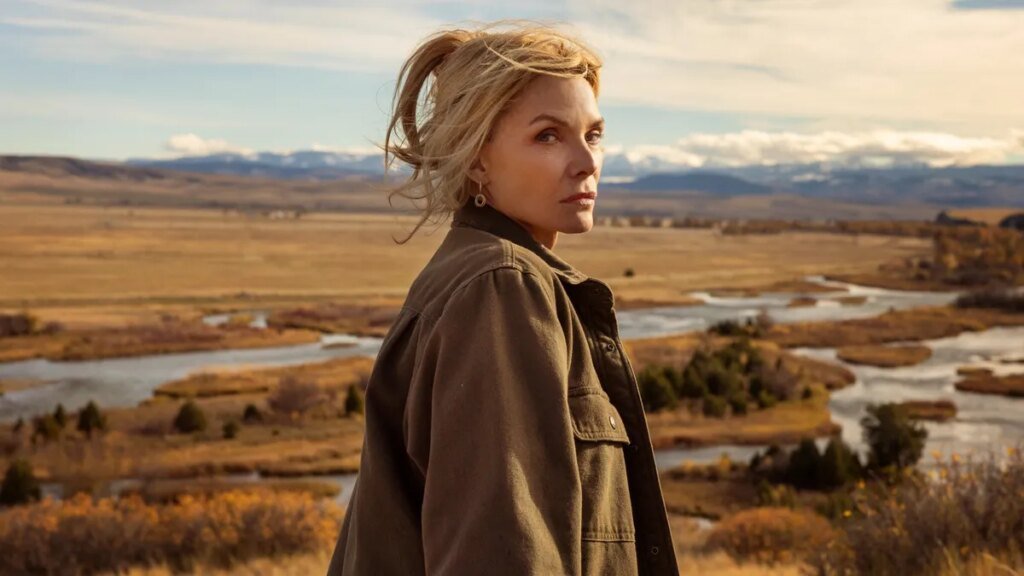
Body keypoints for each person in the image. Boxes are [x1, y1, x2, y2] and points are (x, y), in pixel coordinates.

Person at [326, 20, 679, 576]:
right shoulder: (502, 286)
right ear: (476, 158)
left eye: (593, 135)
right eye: (548, 135)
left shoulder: (481, 272)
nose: (587, 162)